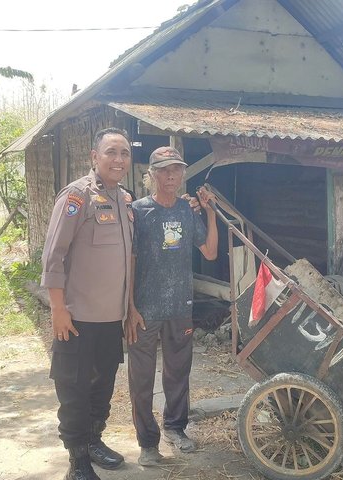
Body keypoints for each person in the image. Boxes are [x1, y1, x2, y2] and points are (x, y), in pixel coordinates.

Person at [41, 127, 133, 480]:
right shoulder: (77, 196)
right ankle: (77, 459)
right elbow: (53, 257)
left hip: (111, 319)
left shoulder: (124, 200)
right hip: (77, 318)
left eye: (124, 153)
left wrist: (129, 309)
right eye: (111, 152)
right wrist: (58, 309)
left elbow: (127, 260)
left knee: (103, 387)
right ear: (94, 157)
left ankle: (94, 441)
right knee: (74, 389)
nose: (119, 159)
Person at [124, 146, 218, 467]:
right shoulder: (137, 212)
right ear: (151, 175)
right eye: (163, 170)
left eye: (176, 170)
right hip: (145, 310)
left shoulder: (187, 211)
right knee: (141, 378)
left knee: (178, 373)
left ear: (182, 174)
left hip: (180, 306)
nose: (170, 176)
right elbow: (129, 261)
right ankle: (147, 442)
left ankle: (175, 428)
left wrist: (210, 212)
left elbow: (209, 251)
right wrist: (130, 307)